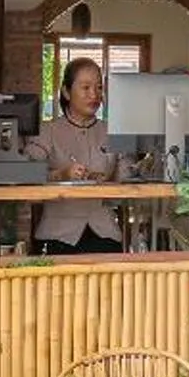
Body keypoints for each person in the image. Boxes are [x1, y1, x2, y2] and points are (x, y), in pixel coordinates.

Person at [33, 57, 123, 254]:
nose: (94, 95)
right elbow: (26, 174)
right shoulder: (48, 131)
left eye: (99, 88)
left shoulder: (112, 132)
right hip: (57, 235)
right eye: (86, 88)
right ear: (66, 92)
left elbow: (127, 179)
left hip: (104, 232)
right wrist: (61, 175)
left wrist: (109, 181)